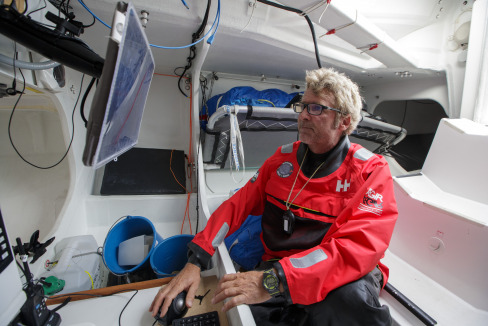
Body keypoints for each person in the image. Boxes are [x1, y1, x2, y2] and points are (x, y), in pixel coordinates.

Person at [150, 67, 398, 325]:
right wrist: (196, 261)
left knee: (345, 303)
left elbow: (355, 249)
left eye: (316, 108)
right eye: (303, 106)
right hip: (280, 269)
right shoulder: (281, 160)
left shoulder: (370, 172)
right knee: (235, 313)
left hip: (338, 274)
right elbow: (237, 206)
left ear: (344, 121)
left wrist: (274, 280)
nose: (303, 115)